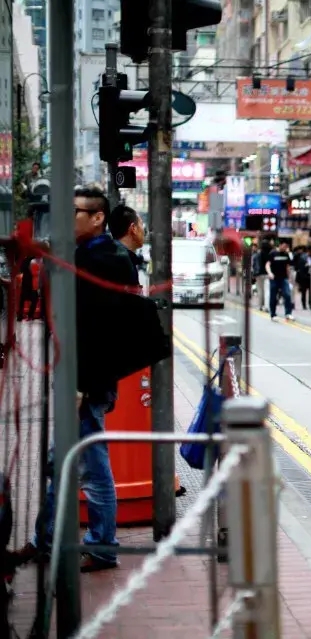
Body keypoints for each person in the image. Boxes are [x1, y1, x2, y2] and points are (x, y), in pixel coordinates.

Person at [17, 187, 144, 572]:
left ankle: (102, 545)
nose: (67, 219)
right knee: (65, 461)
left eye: (74, 212)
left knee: (90, 465)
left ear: (97, 217)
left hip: (86, 378)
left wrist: (81, 384)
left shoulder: (107, 259)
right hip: (77, 372)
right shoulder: (86, 255)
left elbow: (102, 331)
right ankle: (47, 538)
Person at [107, 205, 146, 287]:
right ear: (133, 229)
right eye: (142, 225)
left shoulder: (112, 256)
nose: (144, 231)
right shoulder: (122, 263)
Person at [266, 239, 295, 321]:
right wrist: (270, 273)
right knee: (273, 296)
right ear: (280, 245)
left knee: (287, 295)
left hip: (284, 278)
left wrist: (289, 278)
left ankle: (288, 313)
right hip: (274, 278)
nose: (286, 248)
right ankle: (273, 314)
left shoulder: (286, 254)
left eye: (287, 246)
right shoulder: (273, 253)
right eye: (285, 246)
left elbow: (287, 267)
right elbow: (267, 264)